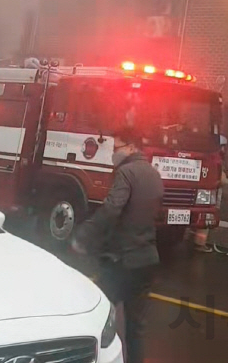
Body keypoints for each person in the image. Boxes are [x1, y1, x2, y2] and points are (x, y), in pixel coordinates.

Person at [73, 126, 164, 363]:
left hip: (122, 260)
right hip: (147, 260)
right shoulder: (153, 174)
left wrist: (85, 235)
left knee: (97, 313)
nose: (114, 152)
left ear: (132, 147)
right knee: (136, 329)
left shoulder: (126, 173)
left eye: (117, 147)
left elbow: (113, 208)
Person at [191, 134, 228, 253]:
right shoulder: (216, 160)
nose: (224, 150)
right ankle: (200, 244)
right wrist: (226, 178)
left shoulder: (208, 157)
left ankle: (195, 239)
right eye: (223, 147)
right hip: (210, 194)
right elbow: (222, 180)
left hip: (203, 192)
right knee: (206, 219)